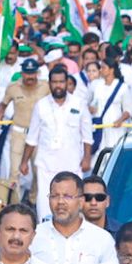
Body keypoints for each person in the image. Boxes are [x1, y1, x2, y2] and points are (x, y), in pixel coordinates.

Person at [21, 66, 92, 221]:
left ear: (67, 83)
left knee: (73, 208)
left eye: (61, 82)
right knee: (45, 208)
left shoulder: (79, 104)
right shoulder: (41, 105)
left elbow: (87, 136)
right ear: (49, 83)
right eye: (54, 82)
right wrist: (24, 162)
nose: (58, 85)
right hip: (47, 166)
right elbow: (32, 137)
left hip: (72, 164)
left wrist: (87, 158)